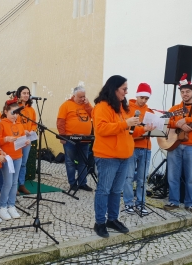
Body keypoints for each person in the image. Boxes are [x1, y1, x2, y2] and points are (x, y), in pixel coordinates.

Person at [92, 75, 154, 238]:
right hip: (107, 157)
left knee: (116, 191)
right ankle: (99, 222)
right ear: (114, 89)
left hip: (124, 156)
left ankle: (112, 219)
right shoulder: (102, 107)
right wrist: (125, 123)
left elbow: (128, 132)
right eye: (124, 89)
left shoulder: (120, 107)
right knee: (104, 191)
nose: (127, 92)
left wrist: (144, 128)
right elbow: (102, 129)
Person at [163, 74, 192, 215]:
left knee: (191, 177)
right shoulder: (175, 108)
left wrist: (186, 120)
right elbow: (165, 121)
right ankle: (173, 201)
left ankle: (190, 203)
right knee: (172, 175)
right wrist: (176, 123)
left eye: (187, 91)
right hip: (175, 144)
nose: (185, 94)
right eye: (182, 92)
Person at [56, 83, 93, 192]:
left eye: (84, 96)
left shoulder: (86, 105)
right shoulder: (66, 105)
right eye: (80, 97)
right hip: (70, 140)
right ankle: (72, 183)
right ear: (74, 96)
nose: (82, 99)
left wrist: (87, 105)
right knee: (70, 161)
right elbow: (60, 122)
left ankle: (82, 183)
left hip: (85, 139)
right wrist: (62, 136)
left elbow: (94, 115)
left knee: (83, 161)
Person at [123, 83, 154, 215]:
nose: (144, 101)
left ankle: (140, 203)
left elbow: (157, 127)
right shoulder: (127, 108)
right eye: (142, 97)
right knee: (129, 176)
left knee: (142, 177)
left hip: (146, 147)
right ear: (137, 95)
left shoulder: (150, 112)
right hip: (132, 146)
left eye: (146, 99)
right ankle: (128, 203)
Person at [0, 97, 29, 220]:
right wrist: (6, 139)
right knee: (8, 182)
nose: (15, 116)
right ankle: (3, 207)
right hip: (7, 157)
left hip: (18, 156)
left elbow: (20, 139)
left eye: (17, 113)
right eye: (12, 113)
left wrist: (24, 142)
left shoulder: (20, 125)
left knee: (15, 182)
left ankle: (12, 205)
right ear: (5, 111)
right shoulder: (1, 124)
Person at [15, 86, 37, 195]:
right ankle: (13, 186)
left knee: (23, 163)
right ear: (19, 94)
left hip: (27, 140)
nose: (26, 95)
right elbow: (14, 123)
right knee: (16, 163)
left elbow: (34, 123)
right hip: (17, 139)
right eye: (24, 93)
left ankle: (21, 184)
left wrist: (32, 130)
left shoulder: (31, 110)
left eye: (28, 93)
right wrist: (23, 131)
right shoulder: (15, 107)